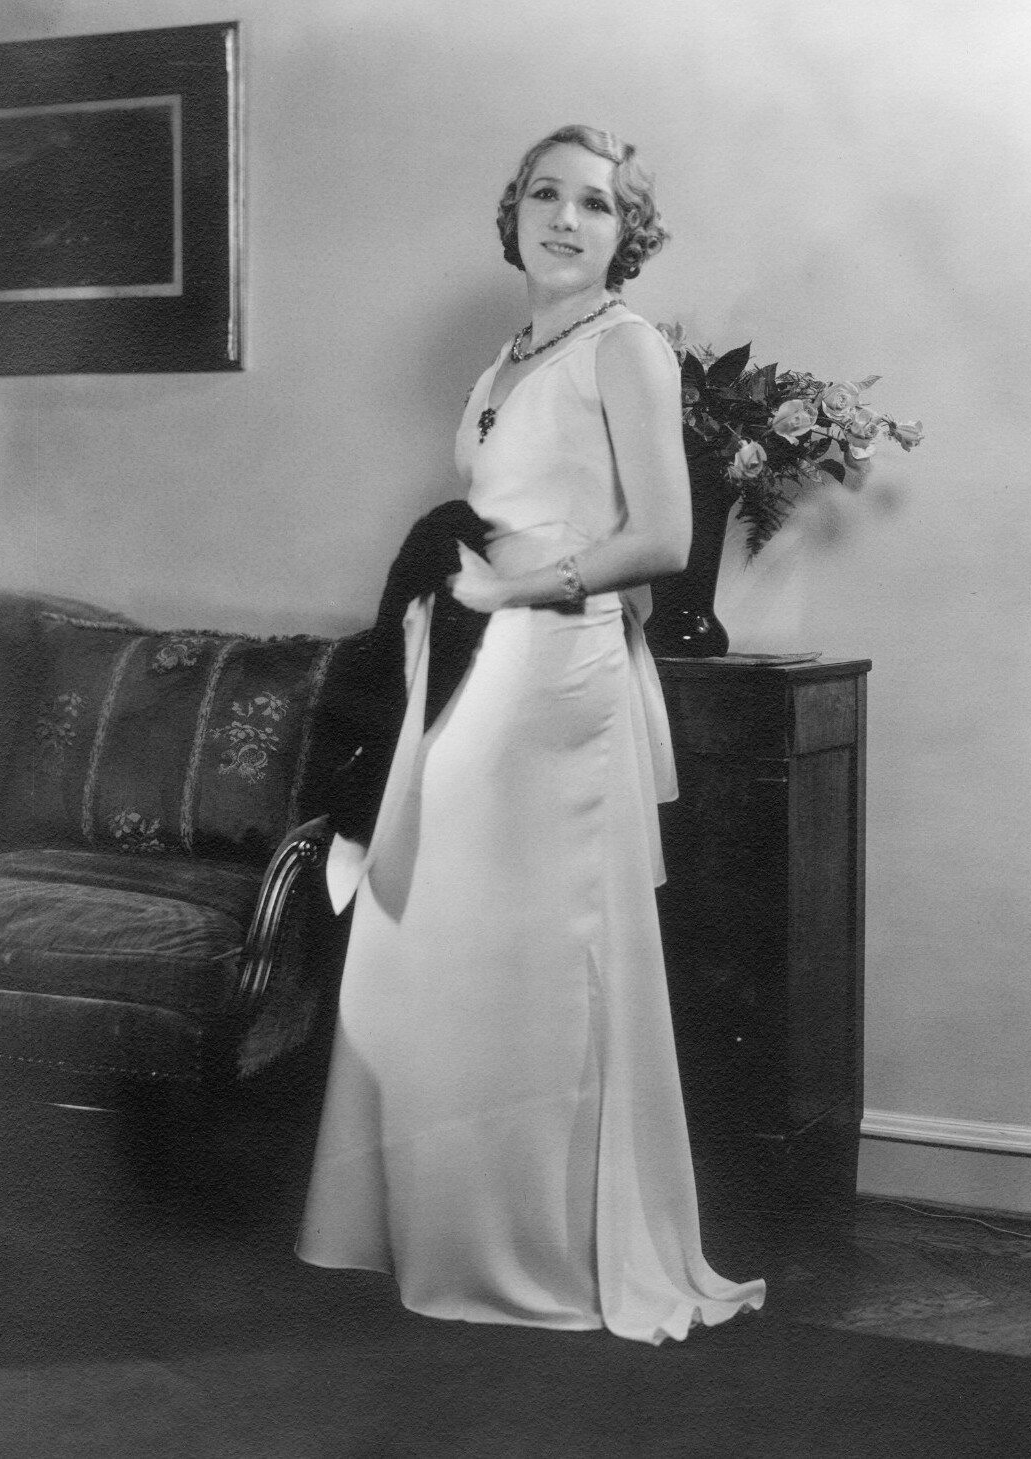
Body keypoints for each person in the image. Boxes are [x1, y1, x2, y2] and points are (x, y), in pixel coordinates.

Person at [296, 125, 765, 1345]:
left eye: (594, 204)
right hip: (470, 657)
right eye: (544, 196)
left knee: (524, 958)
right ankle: (432, 1229)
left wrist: (518, 586)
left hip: (551, 671)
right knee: (428, 939)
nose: (564, 219)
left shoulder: (625, 348)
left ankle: (531, 1250)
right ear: (511, 217)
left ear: (627, 234)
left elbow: (661, 538)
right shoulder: (506, 358)